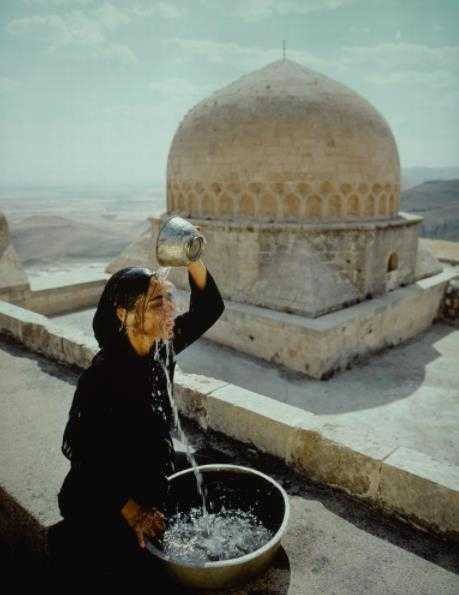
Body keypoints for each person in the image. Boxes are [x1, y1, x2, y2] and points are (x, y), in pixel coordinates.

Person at [47, 257, 225, 582]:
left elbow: (209, 308)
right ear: (123, 314)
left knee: (216, 469)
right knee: (135, 567)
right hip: (106, 491)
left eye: (169, 298)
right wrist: (134, 512)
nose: (170, 308)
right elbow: (83, 454)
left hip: (149, 465)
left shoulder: (161, 348)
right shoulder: (101, 377)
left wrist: (194, 258)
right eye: (157, 303)